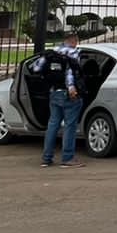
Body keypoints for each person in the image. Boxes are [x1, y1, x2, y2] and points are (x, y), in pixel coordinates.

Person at [39, 31, 84, 168]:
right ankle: (67, 158)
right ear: (74, 40)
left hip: (54, 92)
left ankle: (46, 158)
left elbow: (37, 67)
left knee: (52, 125)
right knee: (70, 126)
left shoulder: (52, 52)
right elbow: (70, 71)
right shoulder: (73, 52)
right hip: (68, 93)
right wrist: (71, 87)